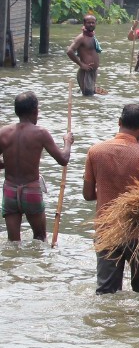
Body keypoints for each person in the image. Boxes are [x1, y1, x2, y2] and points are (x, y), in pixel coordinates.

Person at [84, 104, 139, 294]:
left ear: (119, 123)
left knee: (106, 292)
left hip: (106, 229)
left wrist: (105, 191)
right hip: (137, 231)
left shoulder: (95, 151)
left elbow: (87, 195)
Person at [0, 92, 73, 241]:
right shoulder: (40, 133)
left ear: (16, 111)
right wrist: (67, 142)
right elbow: (63, 159)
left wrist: (8, 164)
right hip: (31, 191)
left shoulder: (3, 132)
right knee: (40, 238)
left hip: (10, 192)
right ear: (35, 111)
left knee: (13, 242)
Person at [66, 14, 101, 95]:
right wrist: (81, 64)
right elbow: (69, 51)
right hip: (85, 72)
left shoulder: (92, 36)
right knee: (88, 97)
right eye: (89, 23)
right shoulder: (81, 38)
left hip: (93, 71)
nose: (91, 24)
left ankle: (78, 92)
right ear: (84, 24)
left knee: (90, 96)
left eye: (93, 22)